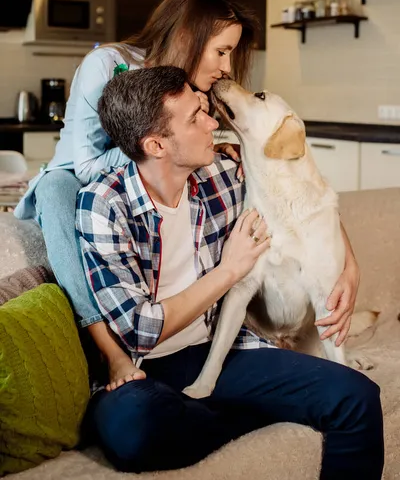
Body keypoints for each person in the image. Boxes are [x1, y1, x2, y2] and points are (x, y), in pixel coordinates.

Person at [15, 0, 360, 391]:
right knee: (56, 190)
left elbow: (298, 193)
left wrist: (348, 263)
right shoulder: (108, 64)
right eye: (221, 51)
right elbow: (88, 165)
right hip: (77, 175)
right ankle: (111, 353)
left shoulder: (191, 93)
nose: (227, 67)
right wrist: (173, 147)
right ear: (186, 38)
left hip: (152, 173)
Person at [76, 66, 384, 479]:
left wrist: (350, 265)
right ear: (156, 144)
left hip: (219, 346)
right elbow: (139, 330)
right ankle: (248, 410)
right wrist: (230, 270)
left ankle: (228, 406)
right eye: (195, 118)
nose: (211, 121)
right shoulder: (102, 204)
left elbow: (310, 197)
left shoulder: (221, 175)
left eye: (204, 109)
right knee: (135, 430)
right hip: (143, 364)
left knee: (358, 397)